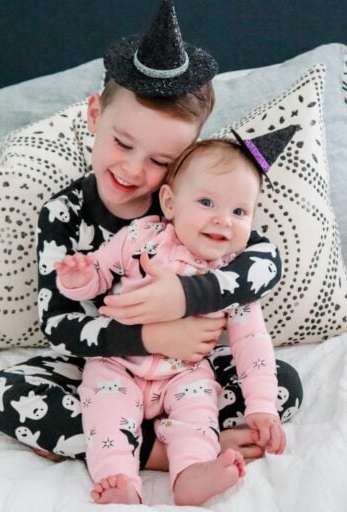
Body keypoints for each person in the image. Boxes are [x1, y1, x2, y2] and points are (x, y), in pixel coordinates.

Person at [0, 0, 302, 480]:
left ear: (184, 159)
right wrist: (150, 334)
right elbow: (59, 324)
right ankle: (163, 451)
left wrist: (186, 296)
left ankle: (120, 441)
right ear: (95, 115)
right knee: (2, 393)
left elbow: (263, 259)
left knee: (283, 386)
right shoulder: (63, 213)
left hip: (190, 373)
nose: (133, 170)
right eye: (123, 144)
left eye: (158, 160)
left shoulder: (190, 206)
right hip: (104, 368)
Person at [56, 135, 293, 505]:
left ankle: (191, 472)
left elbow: (253, 345)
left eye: (239, 212)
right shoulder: (140, 237)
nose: (222, 220)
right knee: (105, 408)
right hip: (119, 364)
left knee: (199, 409)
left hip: (186, 371)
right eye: (206, 202)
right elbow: (99, 273)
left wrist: (262, 408)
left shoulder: (231, 275)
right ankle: (119, 477)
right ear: (170, 203)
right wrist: (77, 278)